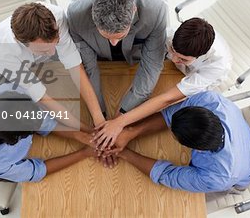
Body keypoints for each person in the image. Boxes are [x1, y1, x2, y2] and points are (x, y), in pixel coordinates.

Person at [93, 17, 232, 150]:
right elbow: (144, 77)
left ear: (199, 57)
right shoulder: (169, 35)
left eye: (183, 59)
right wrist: (117, 119)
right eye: (173, 51)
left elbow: (168, 99)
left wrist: (118, 123)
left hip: (203, 81)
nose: (175, 59)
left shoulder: (217, 65)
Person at [104, 91, 250, 193]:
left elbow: (166, 174)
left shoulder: (216, 178)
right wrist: (130, 133)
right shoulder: (211, 100)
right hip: (243, 143)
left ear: (194, 149)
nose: (169, 126)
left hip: (236, 181)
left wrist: (125, 154)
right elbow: (168, 114)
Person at [0, 2, 105, 132]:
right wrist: (87, 130)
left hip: (38, 55)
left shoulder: (57, 17)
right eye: (44, 51)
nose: (51, 53)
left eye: (55, 44)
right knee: (21, 111)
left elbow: (75, 67)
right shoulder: (2, 53)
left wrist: (99, 119)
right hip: (11, 65)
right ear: (20, 42)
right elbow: (44, 99)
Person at [67, 0, 167, 119]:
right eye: (106, 36)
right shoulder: (75, 15)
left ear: (133, 11)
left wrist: (123, 115)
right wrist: (100, 114)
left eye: (120, 36)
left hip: (133, 64)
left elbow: (151, 67)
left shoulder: (156, 11)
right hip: (100, 63)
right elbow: (88, 67)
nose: (113, 43)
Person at [0, 83, 97, 183]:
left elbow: (45, 123)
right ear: (15, 139)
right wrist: (84, 153)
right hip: (1, 168)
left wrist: (78, 135)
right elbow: (37, 171)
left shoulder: (10, 92)